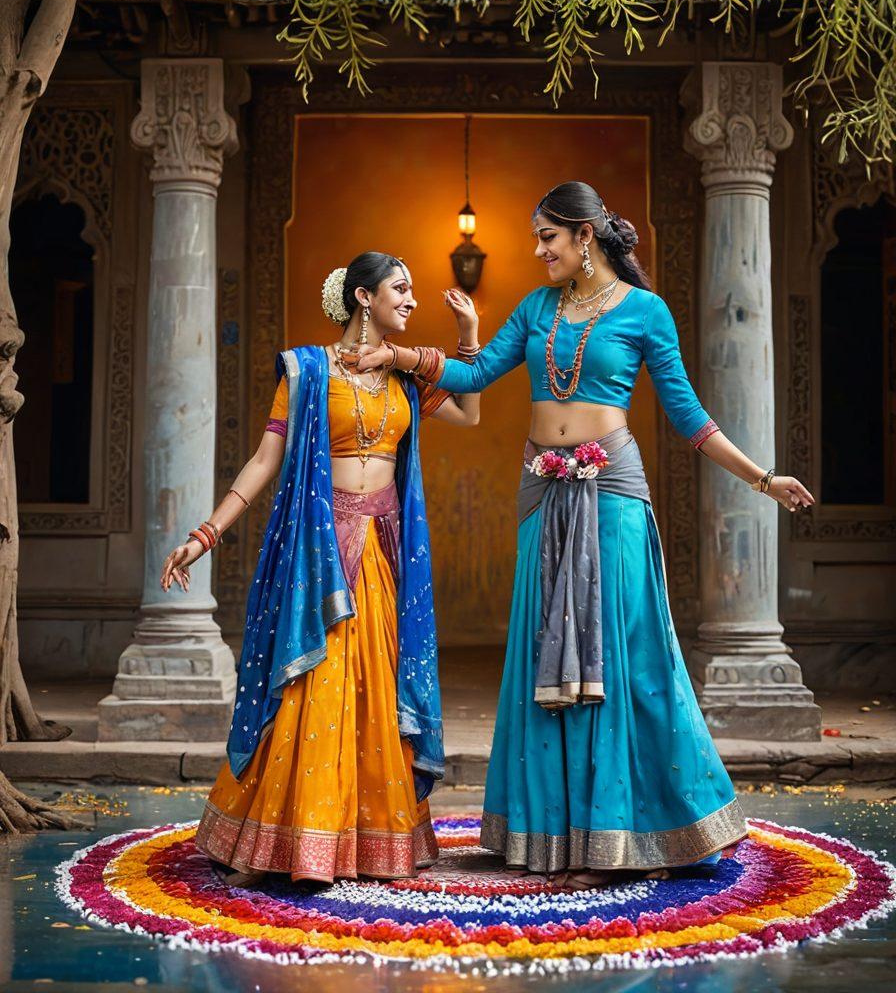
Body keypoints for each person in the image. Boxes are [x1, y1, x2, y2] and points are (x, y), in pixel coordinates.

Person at [354, 182, 815, 887]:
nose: (539, 251)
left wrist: (763, 478)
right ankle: (549, 836)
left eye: (548, 237)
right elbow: (477, 373)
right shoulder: (537, 308)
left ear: (585, 236)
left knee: (620, 650)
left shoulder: (644, 312)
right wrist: (408, 356)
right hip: (541, 490)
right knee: (545, 650)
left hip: (613, 493)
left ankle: (621, 835)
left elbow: (689, 416)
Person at [160, 252, 480, 884]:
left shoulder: (406, 374)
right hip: (320, 548)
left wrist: (468, 335)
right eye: (400, 289)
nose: (412, 300)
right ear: (364, 297)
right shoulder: (307, 370)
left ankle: (369, 842)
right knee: (316, 678)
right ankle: (285, 843)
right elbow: (265, 459)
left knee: (375, 684)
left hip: (383, 549)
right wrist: (206, 534)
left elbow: (469, 413)